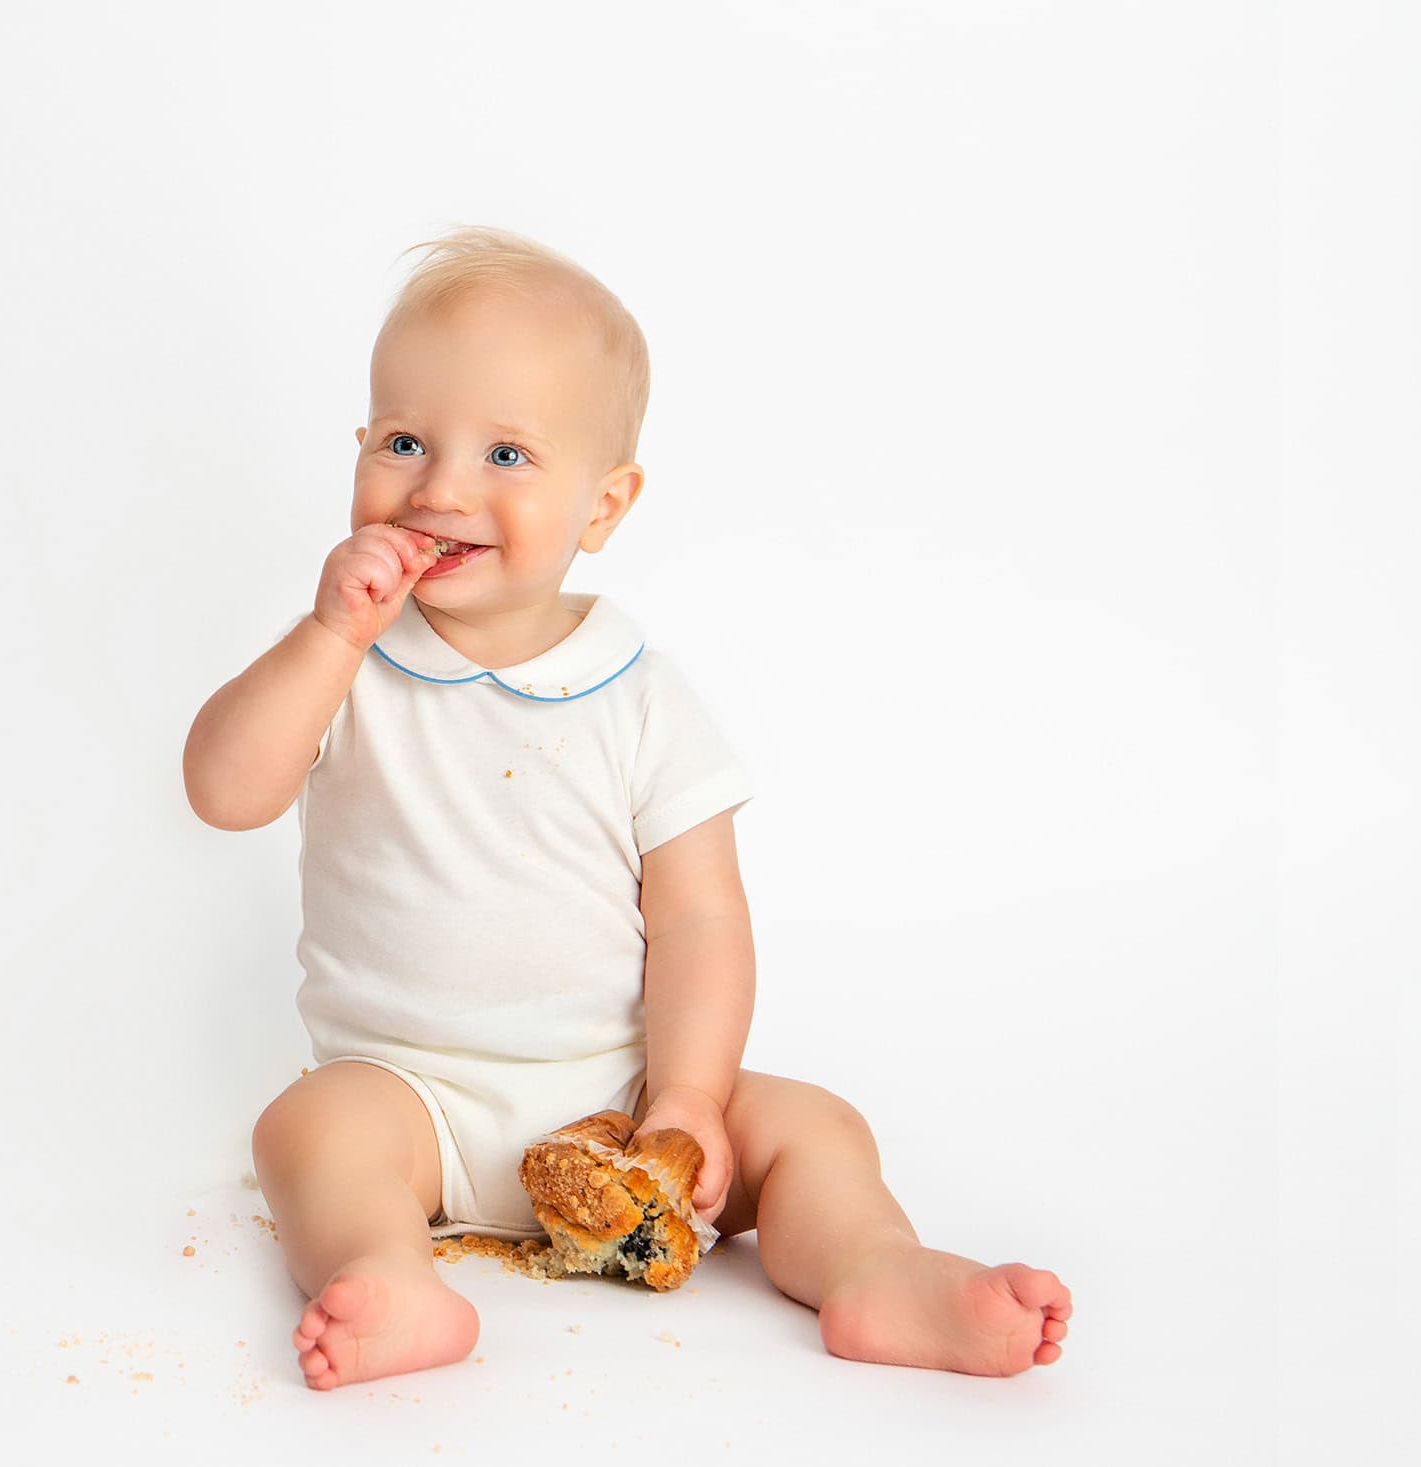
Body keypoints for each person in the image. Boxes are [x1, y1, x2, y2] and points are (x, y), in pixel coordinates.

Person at [182, 226, 1071, 1391]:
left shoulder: (641, 697)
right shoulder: (345, 667)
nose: (440, 488)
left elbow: (700, 918)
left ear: (602, 506)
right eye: (403, 442)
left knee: (815, 1130)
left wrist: (689, 1095)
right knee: (303, 1132)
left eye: (506, 453)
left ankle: (873, 1270)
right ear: (359, 453)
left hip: (621, 1096)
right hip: (412, 1103)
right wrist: (326, 636)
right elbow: (224, 793)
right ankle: (388, 1276)